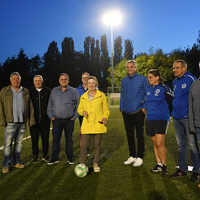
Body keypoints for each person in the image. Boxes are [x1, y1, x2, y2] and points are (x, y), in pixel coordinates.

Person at [0, 72, 35, 174]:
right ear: (10, 80)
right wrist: (2, 120)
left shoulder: (25, 91)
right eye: (14, 78)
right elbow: (0, 106)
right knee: (8, 145)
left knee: (19, 144)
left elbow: (30, 106)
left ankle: (16, 162)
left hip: (22, 122)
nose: (16, 80)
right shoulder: (4, 91)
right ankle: (6, 164)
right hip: (10, 122)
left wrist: (31, 119)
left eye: (18, 79)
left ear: (20, 80)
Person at [170, 59, 198, 179]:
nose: (174, 70)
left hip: (188, 118)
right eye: (173, 68)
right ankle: (182, 169)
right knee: (181, 145)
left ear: (184, 68)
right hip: (176, 117)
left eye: (177, 67)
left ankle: (197, 171)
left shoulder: (191, 79)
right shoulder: (175, 82)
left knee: (192, 145)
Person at [77, 76, 110, 172]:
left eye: (93, 82)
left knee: (97, 145)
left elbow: (106, 110)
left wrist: (105, 117)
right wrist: (82, 112)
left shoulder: (101, 95)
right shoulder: (83, 96)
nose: (91, 84)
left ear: (96, 84)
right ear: (86, 85)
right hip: (86, 124)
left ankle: (95, 164)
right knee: (83, 145)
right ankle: (82, 164)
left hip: (98, 124)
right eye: (89, 83)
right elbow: (79, 109)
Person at [145, 69, 173, 175]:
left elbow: (172, 102)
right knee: (154, 143)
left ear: (157, 77)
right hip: (150, 119)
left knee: (160, 143)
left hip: (161, 119)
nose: (149, 79)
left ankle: (164, 165)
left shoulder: (164, 88)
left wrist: (169, 114)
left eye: (151, 77)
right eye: (148, 77)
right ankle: (159, 164)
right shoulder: (148, 89)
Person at [47, 73, 79, 165]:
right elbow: (50, 104)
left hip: (69, 120)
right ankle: (54, 158)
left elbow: (79, 104)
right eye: (62, 79)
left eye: (65, 79)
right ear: (59, 81)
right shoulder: (54, 90)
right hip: (56, 120)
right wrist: (51, 116)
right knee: (55, 140)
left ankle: (70, 158)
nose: (63, 81)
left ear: (68, 81)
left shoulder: (73, 91)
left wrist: (74, 116)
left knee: (69, 140)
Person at [30, 75, 51, 162]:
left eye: (39, 80)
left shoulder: (48, 91)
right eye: (36, 80)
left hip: (45, 119)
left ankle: (45, 155)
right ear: (33, 82)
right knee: (34, 139)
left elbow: (52, 104)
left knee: (45, 138)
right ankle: (35, 155)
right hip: (33, 120)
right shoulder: (30, 92)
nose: (38, 82)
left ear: (42, 81)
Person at [188, 69, 200, 182]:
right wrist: (191, 125)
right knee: (194, 149)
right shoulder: (194, 85)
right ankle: (196, 172)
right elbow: (190, 107)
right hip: (196, 124)